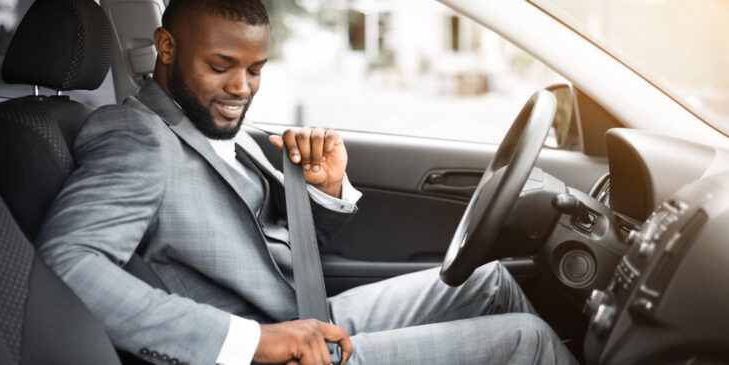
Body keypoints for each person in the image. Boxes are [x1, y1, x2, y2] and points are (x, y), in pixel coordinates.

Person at [37, 0, 577, 364]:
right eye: (221, 65)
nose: (241, 88)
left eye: (255, 69)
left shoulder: (213, 125)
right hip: (271, 348)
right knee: (528, 342)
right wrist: (251, 343)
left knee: (491, 281)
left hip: (301, 313)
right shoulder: (134, 135)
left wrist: (324, 189)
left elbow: (267, 245)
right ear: (167, 47)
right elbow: (69, 265)